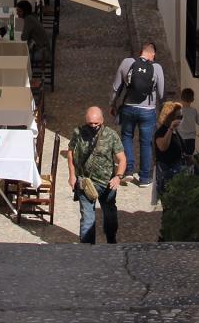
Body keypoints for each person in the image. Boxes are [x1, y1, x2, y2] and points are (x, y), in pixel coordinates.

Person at [65, 106, 126, 244]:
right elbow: (70, 152)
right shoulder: (78, 133)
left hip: (107, 184)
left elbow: (122, 159)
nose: (93, 126)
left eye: (96, 124)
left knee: (110, 217)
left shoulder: (111, 136)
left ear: (102, 121)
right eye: (90, 123)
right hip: (85, 183)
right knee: (87, 219)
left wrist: (118, 176)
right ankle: (88, 250)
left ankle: (111, 241)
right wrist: (72, 175)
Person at [109, 42, 164, 187]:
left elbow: (116, 87)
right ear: (153, 54)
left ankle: (128, 170)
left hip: (129, 108)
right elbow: (161, 92)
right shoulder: (156, 67)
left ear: (141, 52)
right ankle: (145, 178)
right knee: (146, 142)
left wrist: (112, 104)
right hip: (148, 111)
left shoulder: (127, 62)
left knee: (127, 137)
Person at [154, 101, 189, 197]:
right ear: (170, 117)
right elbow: (162, 147)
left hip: (178, 173)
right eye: (178, 117)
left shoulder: (176, 132)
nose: (181, 120)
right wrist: (170, 128)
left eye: (182, 117)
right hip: (168, 175)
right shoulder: (161, 131)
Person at [14, 0, 50, 73]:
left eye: (19, 11)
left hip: (42, 52)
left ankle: (22, 75)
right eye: (17, 11)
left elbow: (24, 38)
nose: (17, 13)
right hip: (44, 47)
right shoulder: (32, 16)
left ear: (25, 11)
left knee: (17, 55)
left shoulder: (28, 19)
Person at [178, 87, 199, 156]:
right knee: (189, 156)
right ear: (192, 99)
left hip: (180, 137)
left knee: (180, 156)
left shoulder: (178, 111)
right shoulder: (193, 111)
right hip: (191, 138)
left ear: (182, 97)